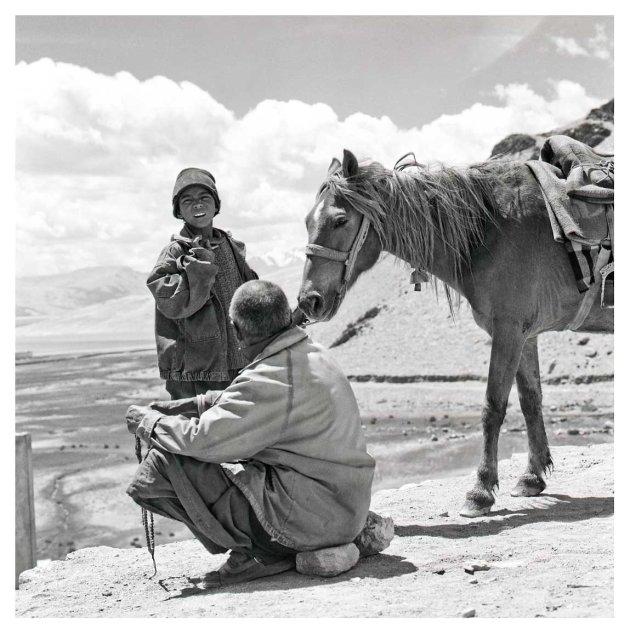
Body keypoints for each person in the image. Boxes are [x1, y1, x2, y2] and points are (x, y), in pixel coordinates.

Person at [126, 280, 375, 588]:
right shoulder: (313, 353)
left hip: (314, 523)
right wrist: (191, 404)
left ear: (237, 330)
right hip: (347, 510)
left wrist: (148, 422)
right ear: (286, 317)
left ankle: (260, 553)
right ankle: (273, 547)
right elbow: (247, 400)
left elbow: (203, 441)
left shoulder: (269, 377)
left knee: (163, 461)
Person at [147, 167, 258, 400]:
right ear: (178, 211)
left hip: (239, 362)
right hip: (195, 370)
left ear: (216, 205)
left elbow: (249, 294)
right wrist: (200, 269)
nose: (197, 205)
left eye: (204, 198)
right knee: (200, 431)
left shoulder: (230, 245)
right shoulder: (175, 252)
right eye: (187, 200)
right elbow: (172, 304)